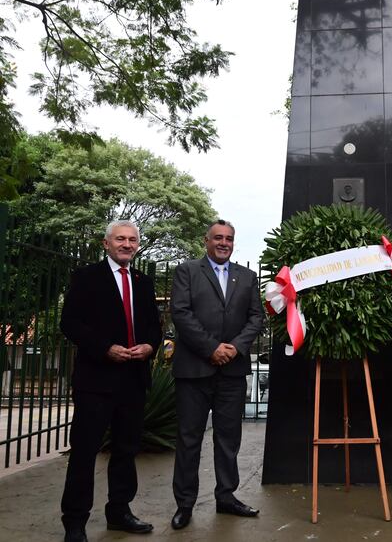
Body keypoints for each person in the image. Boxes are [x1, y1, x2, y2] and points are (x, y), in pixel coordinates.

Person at [60, 220, 162, 542]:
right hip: (96, 380)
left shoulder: (144, 283)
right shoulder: (86, 278)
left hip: (133, 379)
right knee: (84, 452)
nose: (127, 244)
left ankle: (119, 511)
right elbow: (70, 323)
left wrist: (150, 345)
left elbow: (154, 327)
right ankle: (75, 521)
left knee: (126, 450)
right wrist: (105, 348)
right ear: (107, 243)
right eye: (120, 239)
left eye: (132, 240)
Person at [169, 219, 264, 530]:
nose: (224, 243)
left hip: (232, 372)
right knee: (189, 439)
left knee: (228, 439)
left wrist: (235, 347)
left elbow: (255, 317)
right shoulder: (187, 271)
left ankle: (227, 497)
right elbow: (181, 313)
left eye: (229, 239)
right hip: (194, 370)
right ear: (206, 240)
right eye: (218, 238)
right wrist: (212, 348)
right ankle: (185, 504)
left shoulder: (247, 277)